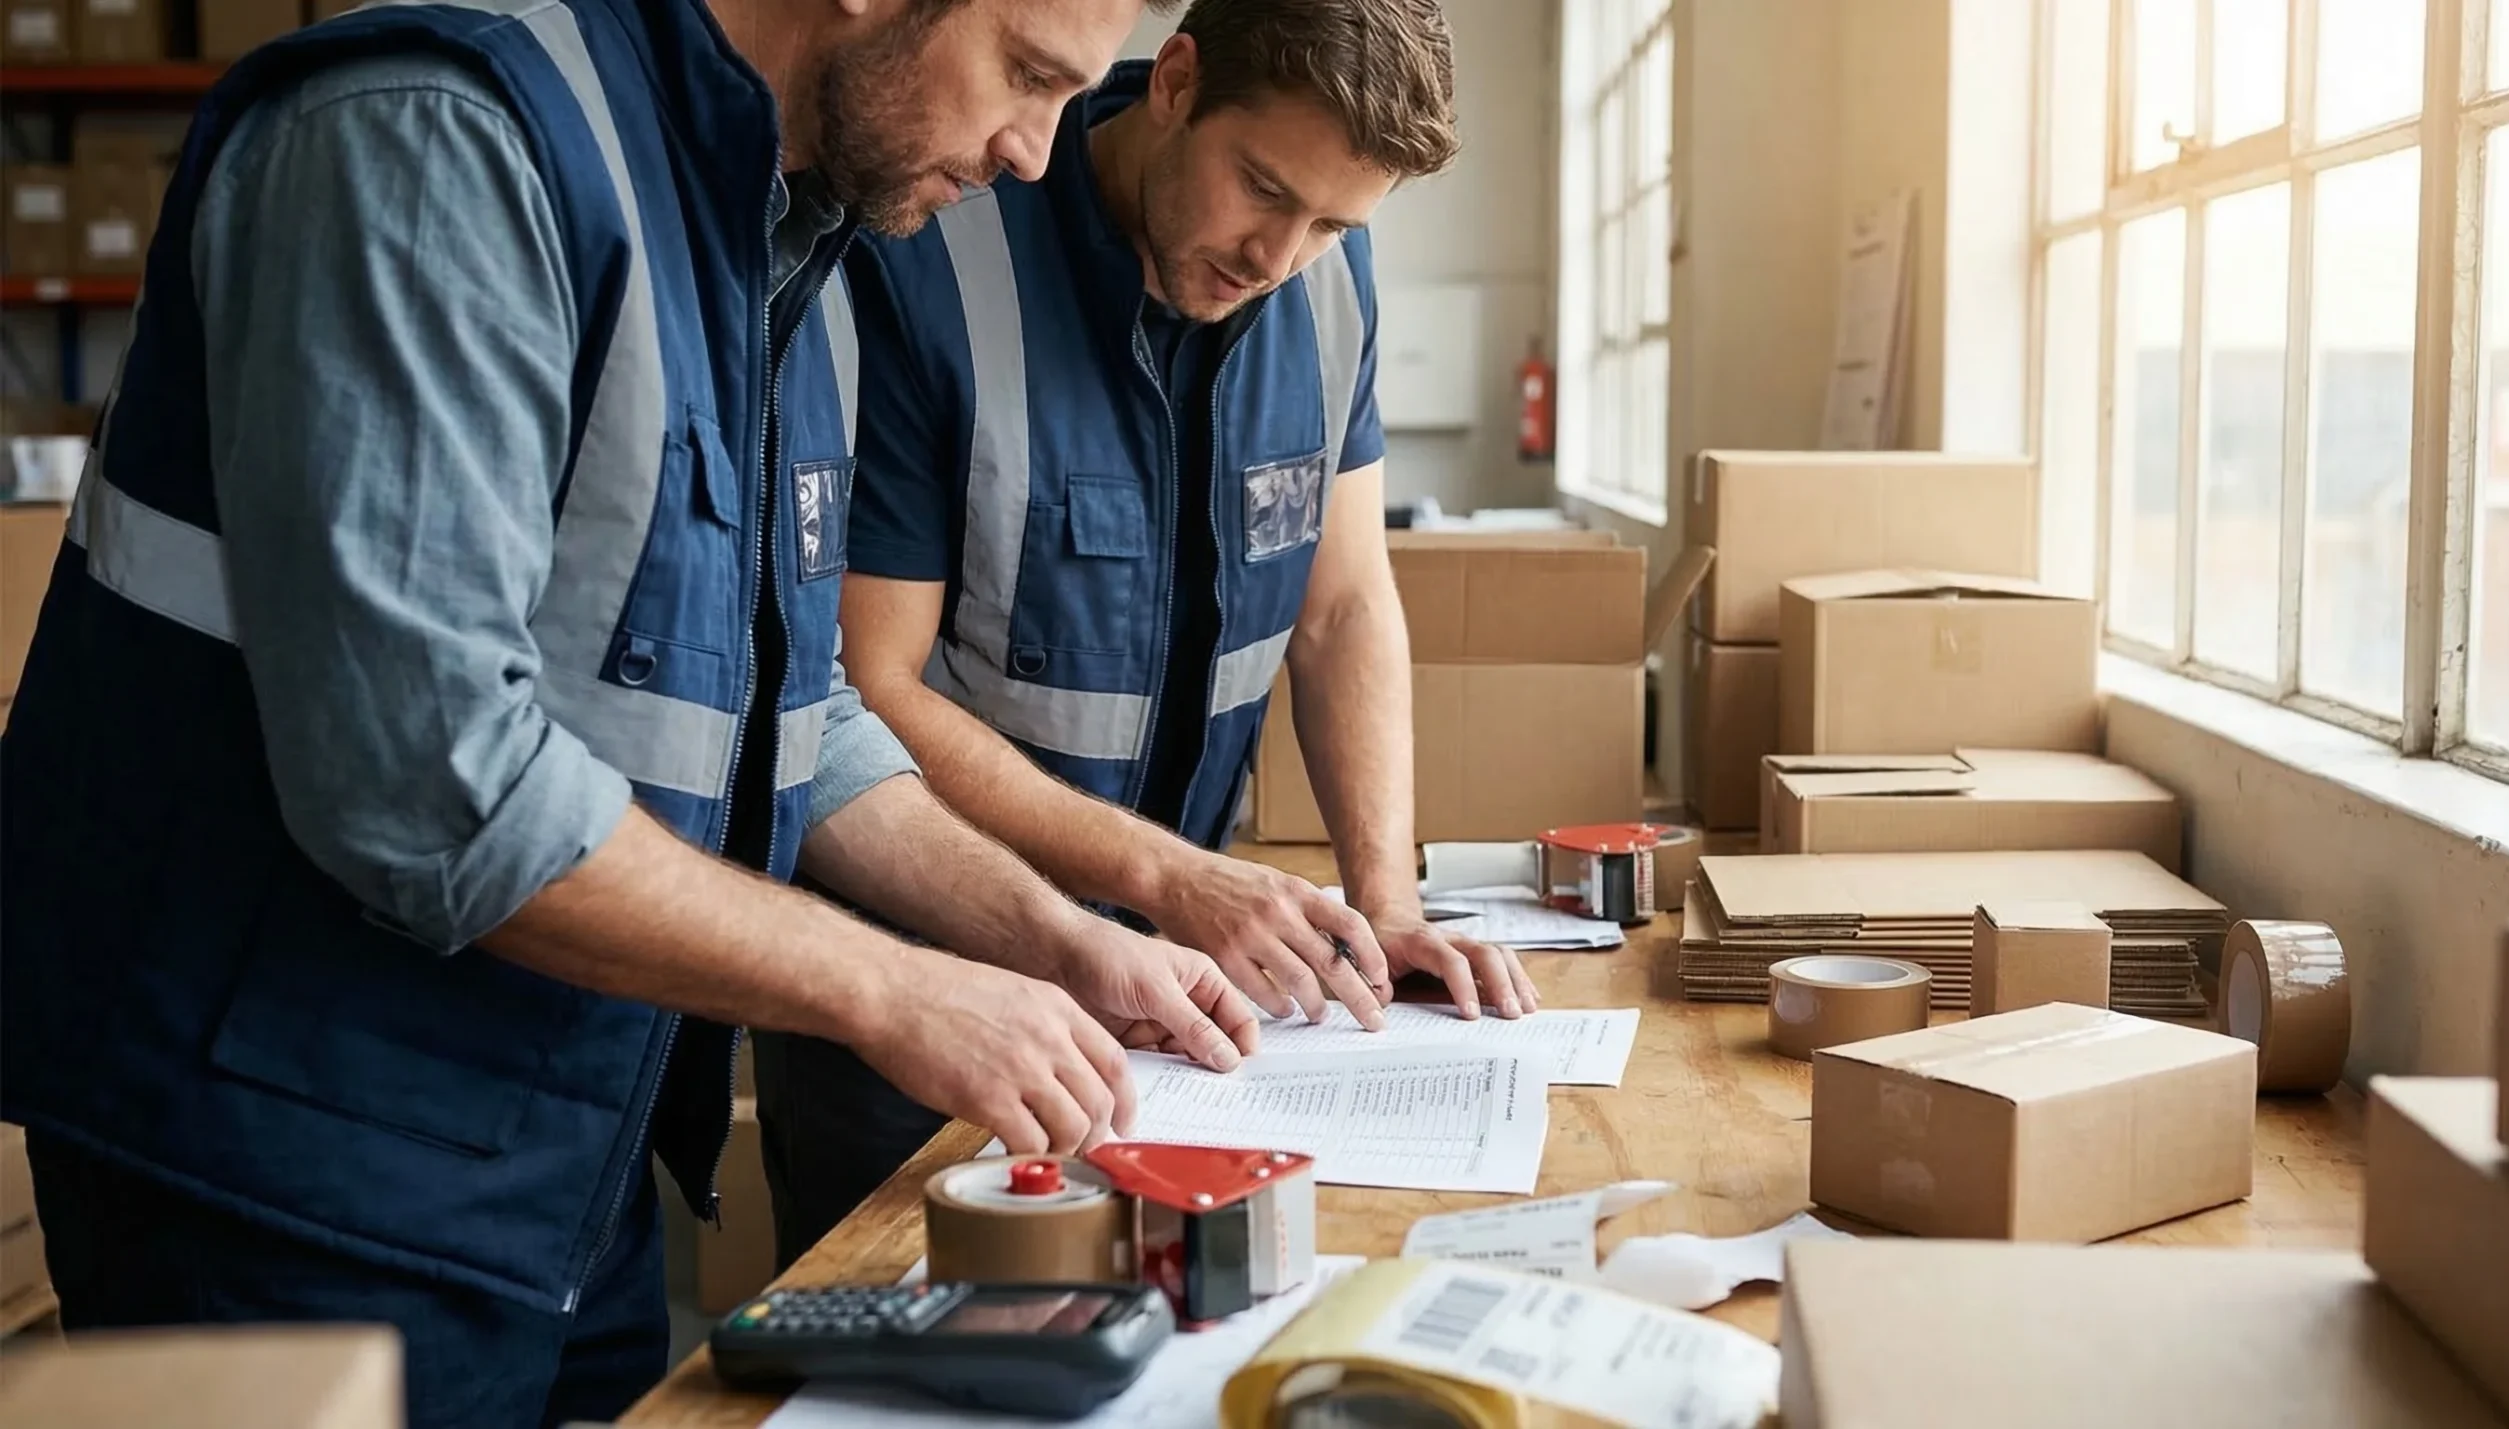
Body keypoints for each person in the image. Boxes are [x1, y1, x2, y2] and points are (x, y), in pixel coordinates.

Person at [0, 0, 1258, 1424]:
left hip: (561, 1169)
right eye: (1027, 76)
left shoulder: (792, 233)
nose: (1035, 152)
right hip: (287, 1177)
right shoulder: (441, 140)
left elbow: (802, 713)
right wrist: (891, 989)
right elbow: (432, 785)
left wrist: (1066, 943)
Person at [754, 0, 1541, 1264]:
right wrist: (1169, 879)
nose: (1278, 255)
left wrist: (1385, 898)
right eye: (1262, 189)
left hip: (1190, 1012)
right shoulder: (932, 252)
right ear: (1174, 81)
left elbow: (1342, 609)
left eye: (1332, 223)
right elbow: (861, 689)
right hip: (929, 994)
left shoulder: (1327, 281)